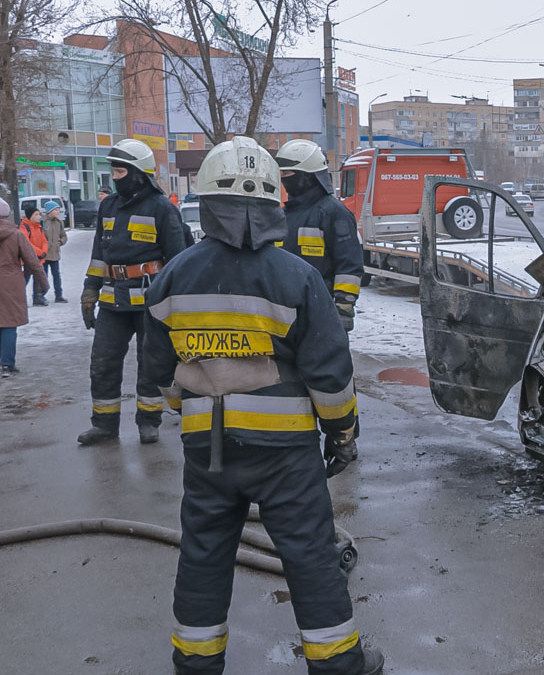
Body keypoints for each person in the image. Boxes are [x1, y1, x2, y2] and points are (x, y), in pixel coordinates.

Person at [141, 136, 383, 674]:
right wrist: (342, 434)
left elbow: (159, 367)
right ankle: (338, 662)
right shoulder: (294, 276)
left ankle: (197, 662)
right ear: (273, 205)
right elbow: (329, 371)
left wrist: (192, 404)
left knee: (204, 554)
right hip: (286, 456)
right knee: (310, 554)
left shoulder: (174, 276)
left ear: (206, 202)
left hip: (209, 452)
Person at [77, 138, 186, 446]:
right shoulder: (108, 206)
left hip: (150, 303)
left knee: (150, 363)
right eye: (113, 170)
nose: (114, 176)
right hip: (112, 303)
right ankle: (104, 424)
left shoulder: (163, 209)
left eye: (120, 171)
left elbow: (177, 262)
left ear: (140, 173)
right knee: (102, 362)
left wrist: (173, 306)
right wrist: (89, 291)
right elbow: (99, 255)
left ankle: (148, 421)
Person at [274, 139, 362, 331]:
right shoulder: (283, 215)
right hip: (284, 311)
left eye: (287, 173)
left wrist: (343, 309)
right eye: (281, 174)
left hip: (321, 311)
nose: (283, 179)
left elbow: (349, 266)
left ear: (307, 176)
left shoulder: (334, 213)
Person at [0, 200, 49, 376]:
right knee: (8, 324)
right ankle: (7, 364)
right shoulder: (15, 234)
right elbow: (33, 262)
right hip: (10, 283)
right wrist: (44, 283)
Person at [19, 205, 49, 306]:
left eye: (39, 214)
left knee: (38, 279)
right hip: (29, 258)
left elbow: (45, 241)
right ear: (30, 216)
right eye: (36, 214)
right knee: (24, 279)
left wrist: (43, 252)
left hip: (39, 258)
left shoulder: (39, 227)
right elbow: (26, 243)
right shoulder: (24, 227)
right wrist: (40, 253)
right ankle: (18, 298)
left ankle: (38, 297)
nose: (39, 216)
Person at [41, 199, 69, 303]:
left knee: (56, 275)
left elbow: (64, 236)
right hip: (44, 255)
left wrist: (60, 242)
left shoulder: (59, 222)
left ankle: (59, 295)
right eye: (56, 210)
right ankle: (41, 294)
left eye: (58, 210)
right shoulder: (43, 222)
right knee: (44, 276)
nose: (58, 212)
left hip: (55, 254)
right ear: (49, 211)